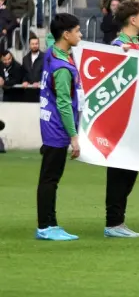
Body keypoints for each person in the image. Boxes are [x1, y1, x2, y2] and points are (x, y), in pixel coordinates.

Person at [105, 0, 139, 238]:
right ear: (133, 20)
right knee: (119, 172)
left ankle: (118, 221)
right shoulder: (119, 45)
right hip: (122, 119)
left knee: (131, 170)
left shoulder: (137, 44)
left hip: (136, 118)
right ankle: (113, 223)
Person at [35, 13, 82, 241]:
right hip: (57, 128)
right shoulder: (62, 67)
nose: (80, 35)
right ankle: (46, 226)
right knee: (50, 179)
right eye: (77, 31)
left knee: (49, 178)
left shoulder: (52, 53)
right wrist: (73, 136)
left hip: (48, 122)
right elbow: (64, 103)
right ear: (66, 34)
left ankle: (50, 224)